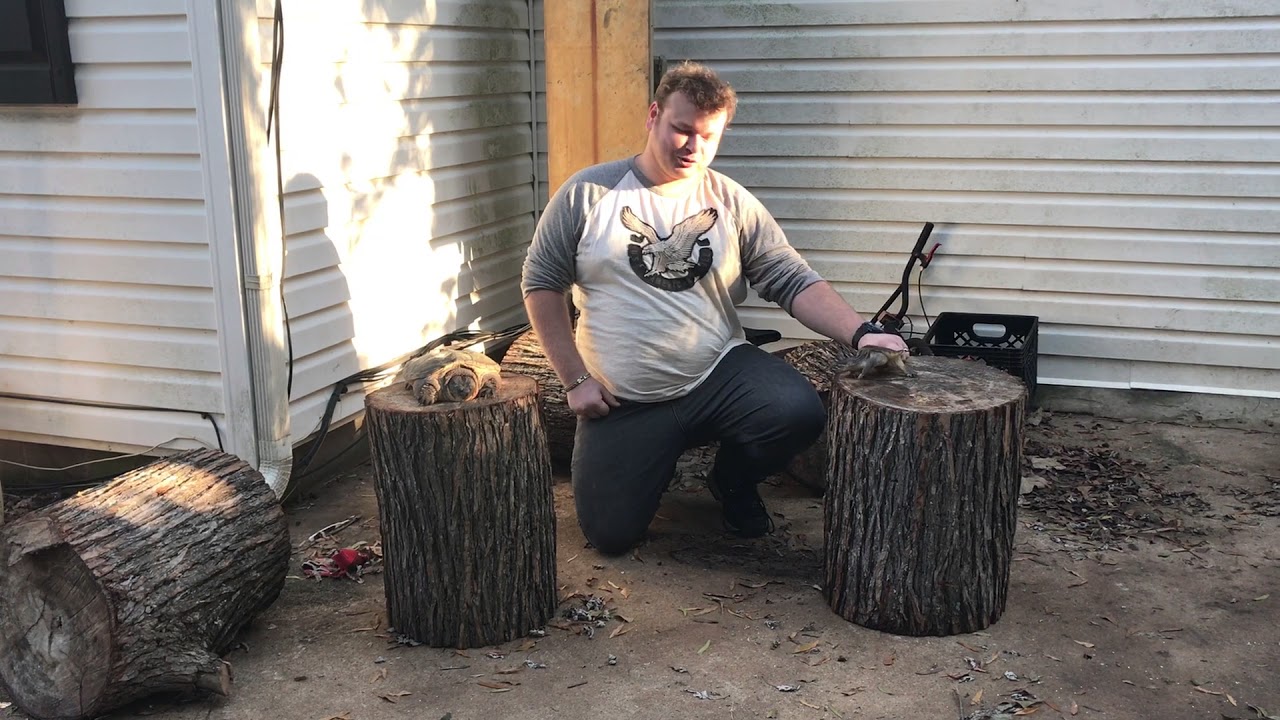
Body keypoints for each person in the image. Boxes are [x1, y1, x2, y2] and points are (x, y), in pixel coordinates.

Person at [521, 61, 907, 554]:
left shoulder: (730, 201)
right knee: (610, 536)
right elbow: (540, 284)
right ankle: (651, 459)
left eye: (708, 136)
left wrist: (862, 333)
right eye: (681, 130)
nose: (692, 147)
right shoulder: (587, 194)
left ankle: (731, 479)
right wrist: (574, 379)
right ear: (653, 116)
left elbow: (790, 278)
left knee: (797, 412)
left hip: (717, 374)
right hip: (626, 400)